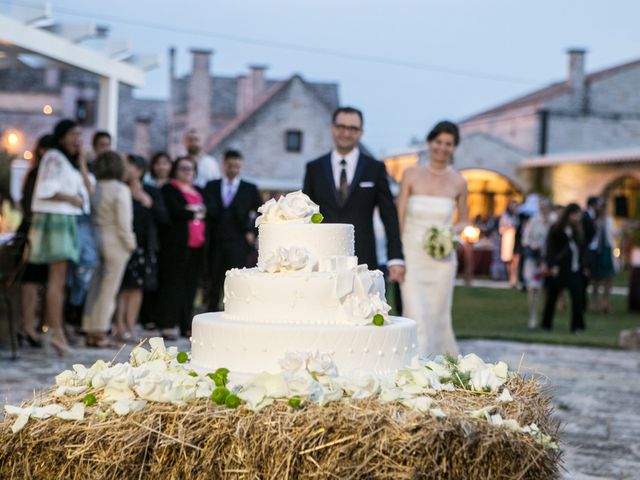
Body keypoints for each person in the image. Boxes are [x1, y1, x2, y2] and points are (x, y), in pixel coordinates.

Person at [302, 106, 404, 282]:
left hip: (363, 256)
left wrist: (395, 257)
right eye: (341, 127)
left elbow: (389, 216)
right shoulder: (314, 168)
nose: (346, 133)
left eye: (353, 128)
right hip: (322, 257)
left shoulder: (375, 168)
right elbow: (305, 215)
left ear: (361, 132)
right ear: (332, 128)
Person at [396, 121, 467, 357]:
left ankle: (437, 367)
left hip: (442, 260)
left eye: (448, 144)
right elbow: (400, 216)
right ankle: (415, 367)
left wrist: (448, 236)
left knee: (438, 316)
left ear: (454, 148)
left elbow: (464, 221)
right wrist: (397, 256)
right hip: (413, 254)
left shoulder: (459, 181)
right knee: (415, 313)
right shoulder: (411, 174)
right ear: (429, 143)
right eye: (438, 142)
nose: (442, 148)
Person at [29, 119, 92, 355]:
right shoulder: (54, 156)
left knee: (60, 279)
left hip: (67, 219)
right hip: (56, 219)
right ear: (62, 135)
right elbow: (46, 188)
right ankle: (55, 332)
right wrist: (71, 198)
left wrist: (83, 161)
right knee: (57, 279)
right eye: (74, 134)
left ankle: (56, 330)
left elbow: (89, 191)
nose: (78, 138)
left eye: (80, 134)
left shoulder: (68, 161)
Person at [81, 151, 136, 347]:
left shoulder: (95, 188)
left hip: (96, 239)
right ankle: (100, 332)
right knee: (108, 291)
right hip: (116, 242)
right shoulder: (121, 189)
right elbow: (124, 222)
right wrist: (131, 243)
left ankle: (89, 328)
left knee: (95, 288)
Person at [115, 154, 168, 342]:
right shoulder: (119, 188)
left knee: (138, 287)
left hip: (145, 244)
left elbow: (163, 217)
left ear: (140, 170)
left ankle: (130, 326)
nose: (127, 169)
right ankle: (119, 325)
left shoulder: (151, 191)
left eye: (131, 166)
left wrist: (147, 201)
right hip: (123, 241)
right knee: (122, 285)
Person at [203, 149, 262, 310]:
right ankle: (211, 311)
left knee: (236, 279)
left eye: (237, 166)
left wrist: (252, 231)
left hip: (238, 241)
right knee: (214, 279)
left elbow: (260, 213)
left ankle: (235, 310)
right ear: (224, 165)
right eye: (230, 166)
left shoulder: (249, 188)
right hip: (215, 241)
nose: (233, 169)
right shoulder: (211, 186)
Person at [156, 156, 206, 339]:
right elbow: (174, 211)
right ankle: (168, 324)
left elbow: (206, 211)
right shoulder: (169, 189)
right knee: (173, 284)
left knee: (191, 286)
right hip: (176, 245)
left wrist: (190, 210)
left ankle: (187, 325)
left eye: (190, 168)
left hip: (197, 245)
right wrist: (193, 211)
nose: (187, 172)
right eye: (183, 168)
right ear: (175, 170)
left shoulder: (199, 190)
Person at [16, 134, 54, 348]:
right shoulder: (37, 174)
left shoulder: (38, 173)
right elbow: (30, 205)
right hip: (33, 230)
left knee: (36, 280)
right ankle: (27, 326)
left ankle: (31, 326)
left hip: (37, 230)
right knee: (30, 280)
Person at [541, 203, 587, 332]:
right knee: (552, 297)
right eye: (575, 214)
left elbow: (582, 248)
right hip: (560, 268)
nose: (577, 218)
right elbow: (550, 248)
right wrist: (553, 265)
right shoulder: (556, 229)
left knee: (577, 298)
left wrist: (585, 266)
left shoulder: (577, 230)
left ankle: (577, 326)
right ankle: (546, 324)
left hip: (574, 268)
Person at [522, 197, 552, 329]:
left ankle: (545, 317)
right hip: (535, 260)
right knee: (534, 288)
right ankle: (533, 316)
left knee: (547, 290)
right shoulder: (534, 221)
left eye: (546, 207)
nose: (543, 209)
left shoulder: (554, 221)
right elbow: (526, 239)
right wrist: (532, 245)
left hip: (549, 260)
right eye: (541, 207)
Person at [590, 200, 617, 313]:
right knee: (595, 278)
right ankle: (594, 302)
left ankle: (605, 302)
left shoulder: (609, 220)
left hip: (606, 250)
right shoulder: (593, 219)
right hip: (596, 251)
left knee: (608, 277)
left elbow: (614, 233)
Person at [499, 200, 519, 287]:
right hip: (509, 240)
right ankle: (511, 279)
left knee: (516, 260)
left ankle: (515, 279)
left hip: (517, 240)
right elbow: (501, 229)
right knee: (509, 261)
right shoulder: (505, 216)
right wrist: (509, 227)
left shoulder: (518, 216)